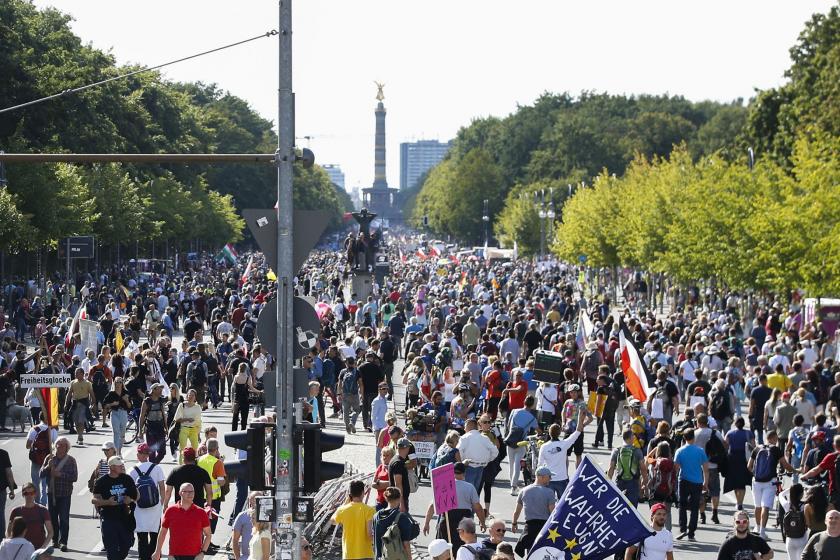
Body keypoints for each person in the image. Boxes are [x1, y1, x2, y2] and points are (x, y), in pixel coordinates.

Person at [422, 462, 485, 553]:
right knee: (463, 552)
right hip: (464, 525)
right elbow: (478, 507)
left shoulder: (444, 485)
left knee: (444, 552)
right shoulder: (469, 487)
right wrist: (482, 522)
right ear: (464, 473)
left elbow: (432, 505)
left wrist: (426, 523)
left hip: (447, 520)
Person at [748, 430, 794, 539]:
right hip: (770, 481)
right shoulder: (776, 449)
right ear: (773, 438)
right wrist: (796, 471)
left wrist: (756, 474)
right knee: (766, 506)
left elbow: (749, 466)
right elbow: (785, 465)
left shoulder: (757, 448)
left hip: (756, 481)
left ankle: (757, 528)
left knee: (757, 506)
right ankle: (763, 533)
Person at [92, 455, 139, 560]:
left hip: (125, 517)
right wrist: (107, 502)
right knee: (111, 549)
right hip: (108, 518)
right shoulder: (101, 481)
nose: (122, 466)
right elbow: (94, 500)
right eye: (119, 465)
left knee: (126, 545)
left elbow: (137, 496)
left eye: (122, 464)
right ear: (112, 467)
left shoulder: (126, 478)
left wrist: (130, 500)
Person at [538, 409, 592, 498]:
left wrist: (539, 481)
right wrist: (579, 417)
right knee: (562, 503)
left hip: (548, 479)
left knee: (548, 503)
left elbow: (539, 465)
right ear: (559, 433)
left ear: (549, 433)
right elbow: (578, 431)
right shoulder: (564, 444)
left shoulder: (544, 447)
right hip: (562, 479)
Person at [152, 483, 212, 560]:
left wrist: (203, 553)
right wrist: (157, 551)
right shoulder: (170, 511)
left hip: (195, 556)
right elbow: (163, 532)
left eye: (192, 491)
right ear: (180, 493)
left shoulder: (201, 512)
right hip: (174, 556)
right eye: (187, 491)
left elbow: (208, 535)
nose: (190, 494)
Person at [129, 443, 165, 560]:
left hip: (139, 507)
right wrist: (161, 503)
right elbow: (162, 487)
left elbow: (130, 491)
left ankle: (143, 557)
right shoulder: (157, 468)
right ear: (148, 454)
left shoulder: (132, 470)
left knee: (142, 536)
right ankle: (154, 557)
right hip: (155, 507)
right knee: (155, 535)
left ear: (139, 454)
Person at [41, 436, 77, 551]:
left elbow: (74, 477)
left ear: (67, 447)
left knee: (64, 518)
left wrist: (60, 475)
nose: (60, 447)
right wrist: (47, 467)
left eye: (63, 445)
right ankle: (54, 539)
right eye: (58, 444)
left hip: (65, 494)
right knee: (52, 518)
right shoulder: (49, 458)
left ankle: (63, 542)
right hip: (52, 493)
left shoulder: (71, 460)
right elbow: (40, 474)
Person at [511, 466, 556, 558]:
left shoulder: (524, 491)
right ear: (541, 477)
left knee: (530, 552)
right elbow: (553, 513)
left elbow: (516, 511)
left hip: (529, 528)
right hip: (544, 528)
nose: (550, 479)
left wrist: (514, 523)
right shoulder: (549, 492)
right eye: (549, 476)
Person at [673, 430, 709, 541]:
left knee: (682, 505)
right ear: (693, 438)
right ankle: (691, 532)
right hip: (697, 481)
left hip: (683, 480)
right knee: (694, 507)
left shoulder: (680, 451)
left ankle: (683, 528)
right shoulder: (700, 451)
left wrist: (673, 482)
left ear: (684, 438)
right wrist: (705, 482)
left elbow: (676, 468)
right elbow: (705, 469)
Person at [331, 480, 375, 560]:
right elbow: (369, 534)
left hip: (349, 554)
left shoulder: (342, 509)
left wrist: (345, 503)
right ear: (363, 492)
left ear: (350, 494)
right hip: (366, 553)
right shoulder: (369, 510)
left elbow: (333, 521)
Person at [506, 395, 540, 494]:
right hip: (521, 443)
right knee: (517, 465)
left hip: (510, 440)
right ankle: (514, 486)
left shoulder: (514, 411)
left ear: (524, 402)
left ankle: (512, 485)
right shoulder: (532, 418)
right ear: (532, 405)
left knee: (511, 465)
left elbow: (508, 425)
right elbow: (539, 431)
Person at [374, 487, 417, 560]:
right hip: (397, 557)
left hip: (381, 556)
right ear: (399, 498)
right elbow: (406, 543)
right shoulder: (402, 517)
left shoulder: (376, 516)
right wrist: (409, 558)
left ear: (386, 498)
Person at [196, 438, 227, 538]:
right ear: (217, 449)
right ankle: (207, 544)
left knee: (200, 521)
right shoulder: (218, 463)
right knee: (210, 522)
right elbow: (221, 482)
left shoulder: (199, 460)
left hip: (200, 496)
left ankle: (202, 542)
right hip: (213, 498)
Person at [457, 419, 498, 492]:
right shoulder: (484, 438)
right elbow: (495, 451)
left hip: (468, 466)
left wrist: (462, 462)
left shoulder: (464, 437)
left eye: (465, 427)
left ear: (469, 426)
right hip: (481, 467)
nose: (464, 429)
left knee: (467, 492)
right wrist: (487, 460)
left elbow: (458, 451)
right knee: (474, 493)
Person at [608, 429, 647, 507]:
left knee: (619, 507)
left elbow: (611, 467)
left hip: (619, 481)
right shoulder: (637, 451)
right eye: (633, 436)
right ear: (630, 438)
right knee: (632, 508)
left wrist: (608, 482)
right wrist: (645, 481)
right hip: (633, 482)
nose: (634, 438)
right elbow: (642, 468)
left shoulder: (616, 450)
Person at [7, 482, 52, 549]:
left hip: (38, 548)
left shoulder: (43, 510)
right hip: (20, 548)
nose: (29, 496)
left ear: (35, 494)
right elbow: (8, 530)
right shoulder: (16, 511)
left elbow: (50, 532)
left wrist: (43, 547)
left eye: (32, 493)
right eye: (26, 493)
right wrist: (11, 543)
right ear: (23, 495)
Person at [802, 434, 840, 511]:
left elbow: (816, 470)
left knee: (832, 515)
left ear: (834, 445)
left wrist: (804, 476)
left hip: (835, 491)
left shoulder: (832, 457)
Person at [25, 412, 55, 506]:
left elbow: (27, 445)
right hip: (47, 459)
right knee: (45, 482)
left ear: (40, 418)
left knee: (35, 481)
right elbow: (55, 445)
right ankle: (44, 502)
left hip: (35, 459)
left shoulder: (34, 429)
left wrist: (37, 449)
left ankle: (36, 502)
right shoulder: (52, 429)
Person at [138, 383, 168, 464]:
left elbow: (164, 415)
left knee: (162, 451)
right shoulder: (147, 401)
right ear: (154, 390)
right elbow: (142, 416)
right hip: (150, 428)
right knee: (152, 451)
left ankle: (153, 464)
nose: (161, 390)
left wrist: (166, 428)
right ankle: (152, 466)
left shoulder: (161, 400)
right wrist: (140, 431)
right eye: (159, 389)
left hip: (160, 428)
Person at [102, 377, 133, 455]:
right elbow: (104, 405)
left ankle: (119, 450)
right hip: (115, 413)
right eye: (117, 382)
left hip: (123, 413)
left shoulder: (126, 393)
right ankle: (117, 453)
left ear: (122, 383)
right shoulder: (111, 393)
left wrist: (126, 400)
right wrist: (112, 404)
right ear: (114, 383)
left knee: (122, 434)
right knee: (116, 433)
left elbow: (130, 406)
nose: (118, 384)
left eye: (120, 382)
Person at [172, 389, 203, 464]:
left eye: (193, 395)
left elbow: (198, 422)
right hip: (184, 428)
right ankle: (181, 465)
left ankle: (194, 465)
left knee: (195, 448)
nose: (191, 397)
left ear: (195, 397)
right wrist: (187, 419)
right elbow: (177, 419)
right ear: (187, 396)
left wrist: (198, 435)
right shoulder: (182, 405)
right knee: (183, 448)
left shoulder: (198, 407)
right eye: (189, 395)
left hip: (194, 429)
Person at [389, 439, 415, 513]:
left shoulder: (395, 460)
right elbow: (398, 484)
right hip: (398, 500)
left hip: (395, 499)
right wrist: (401, 504)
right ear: (406, 448)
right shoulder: (398, 463)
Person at [784, 483, 808, 560]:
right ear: (801, 494)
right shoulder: (805, 506)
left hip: (790, 539)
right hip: (802, 538)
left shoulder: (787, 505)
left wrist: (790, 489)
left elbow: (781, 495)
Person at [232, 492, 259, 560]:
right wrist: (238, 557)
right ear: (250, 500)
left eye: (259, 499)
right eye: (254, 499)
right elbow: (235, 539)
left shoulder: (268, 516)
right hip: (246, 557)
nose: (256, 501)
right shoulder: (242, 516)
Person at [0, 446, 17, 539]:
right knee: (0, 515)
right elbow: (8, 473)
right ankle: (1, 540)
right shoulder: (3, 454)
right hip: (1, 490)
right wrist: (12, 490)